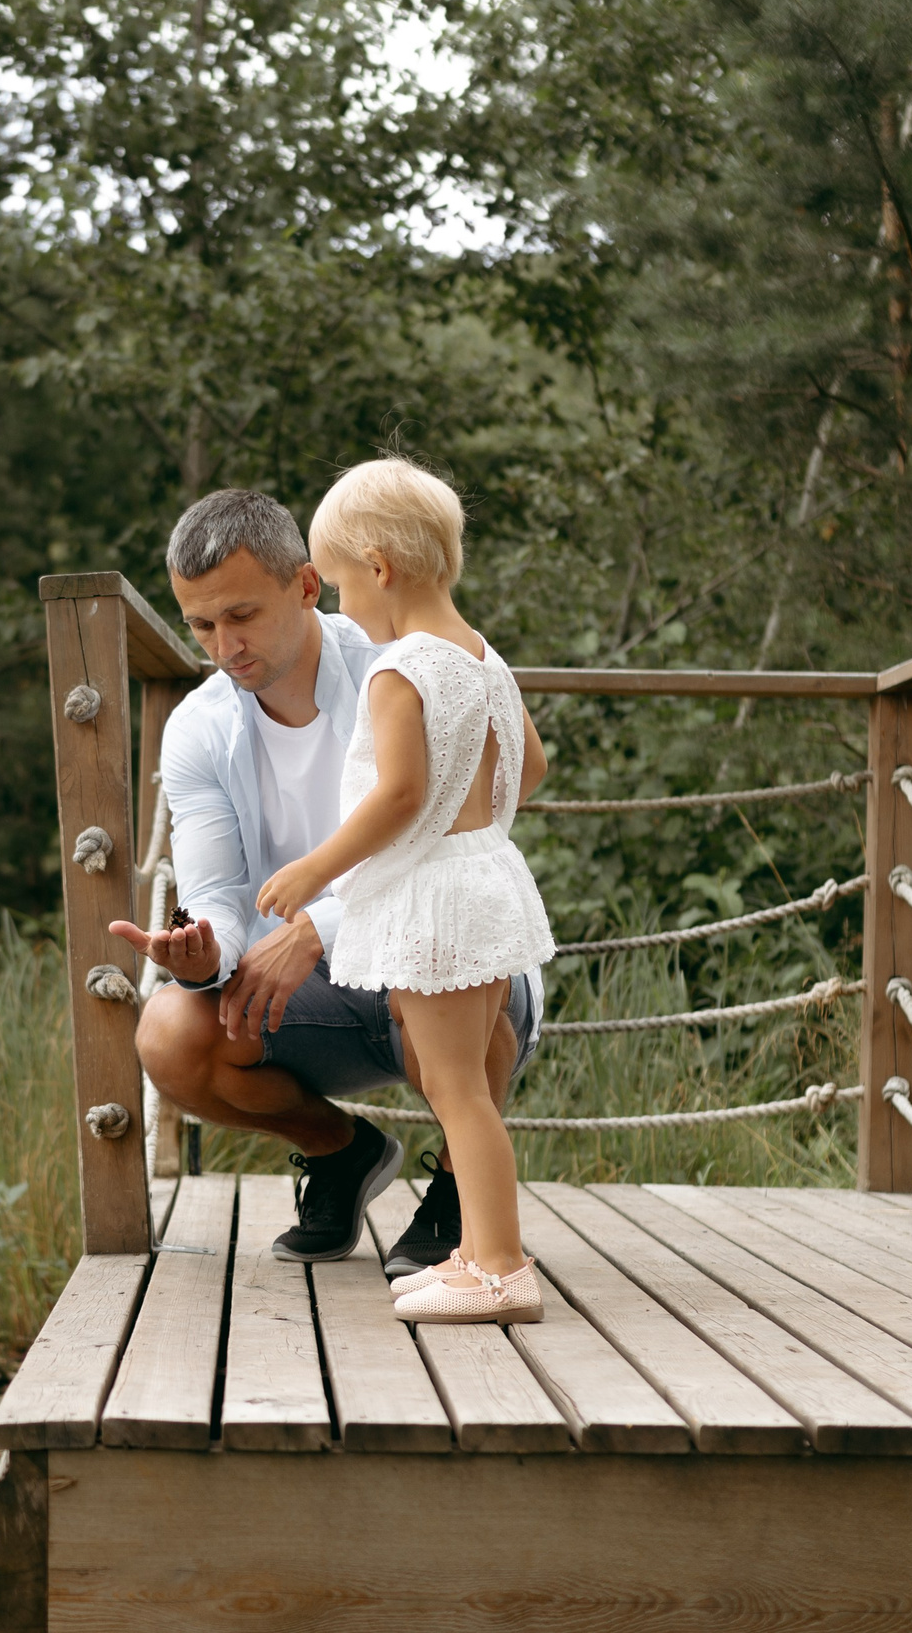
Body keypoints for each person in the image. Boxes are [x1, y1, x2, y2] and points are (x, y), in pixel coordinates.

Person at [108, 487, 543, 1267]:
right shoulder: (197, 727)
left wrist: (321, 920)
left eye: (241, 615)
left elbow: (468, 797)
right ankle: (342, 1153)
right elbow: (218, 894)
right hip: (310, 991)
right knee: (169, 1032)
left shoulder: (402, 656)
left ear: (308, 584)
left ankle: (467, 1215)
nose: (223, 645)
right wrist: (204, 955)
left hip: (436, 942)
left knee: (461, 996)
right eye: (201, 625)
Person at [254, 457, 556, 1322]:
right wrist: (477, 825)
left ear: (379, 567)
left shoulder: (400, 668)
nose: (343, 608)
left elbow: (398, 795)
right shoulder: (483, 658)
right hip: (484, 881)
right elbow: (531, 763)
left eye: (341, 586)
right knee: (469, 1082)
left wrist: (316, 869)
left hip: (439, 900)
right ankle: (476, 1252)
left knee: (457, 1091)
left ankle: (501, 1271)